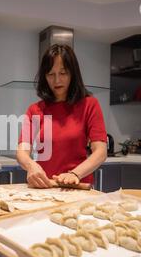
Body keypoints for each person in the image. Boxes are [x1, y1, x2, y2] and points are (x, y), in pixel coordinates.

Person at [16, 44, 107, 188]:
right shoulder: (35, 110)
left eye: (63, 73)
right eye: (51, 74)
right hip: (46, 187)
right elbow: (22, 150)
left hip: (78, 188)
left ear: (73, 74)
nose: (57, 80)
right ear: (44, 77)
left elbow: (101, 152)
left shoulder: (89, 105)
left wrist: (74, 174)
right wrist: (30, 166)